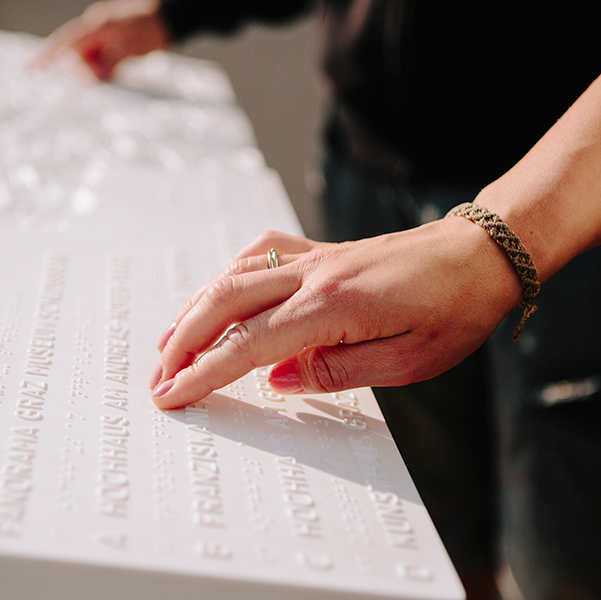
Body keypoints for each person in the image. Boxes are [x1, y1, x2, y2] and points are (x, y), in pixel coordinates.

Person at [38, 3, 601, 599]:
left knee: (567, 549)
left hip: (571, 204)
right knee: (424, 527)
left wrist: (490, 238)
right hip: (364, 169)